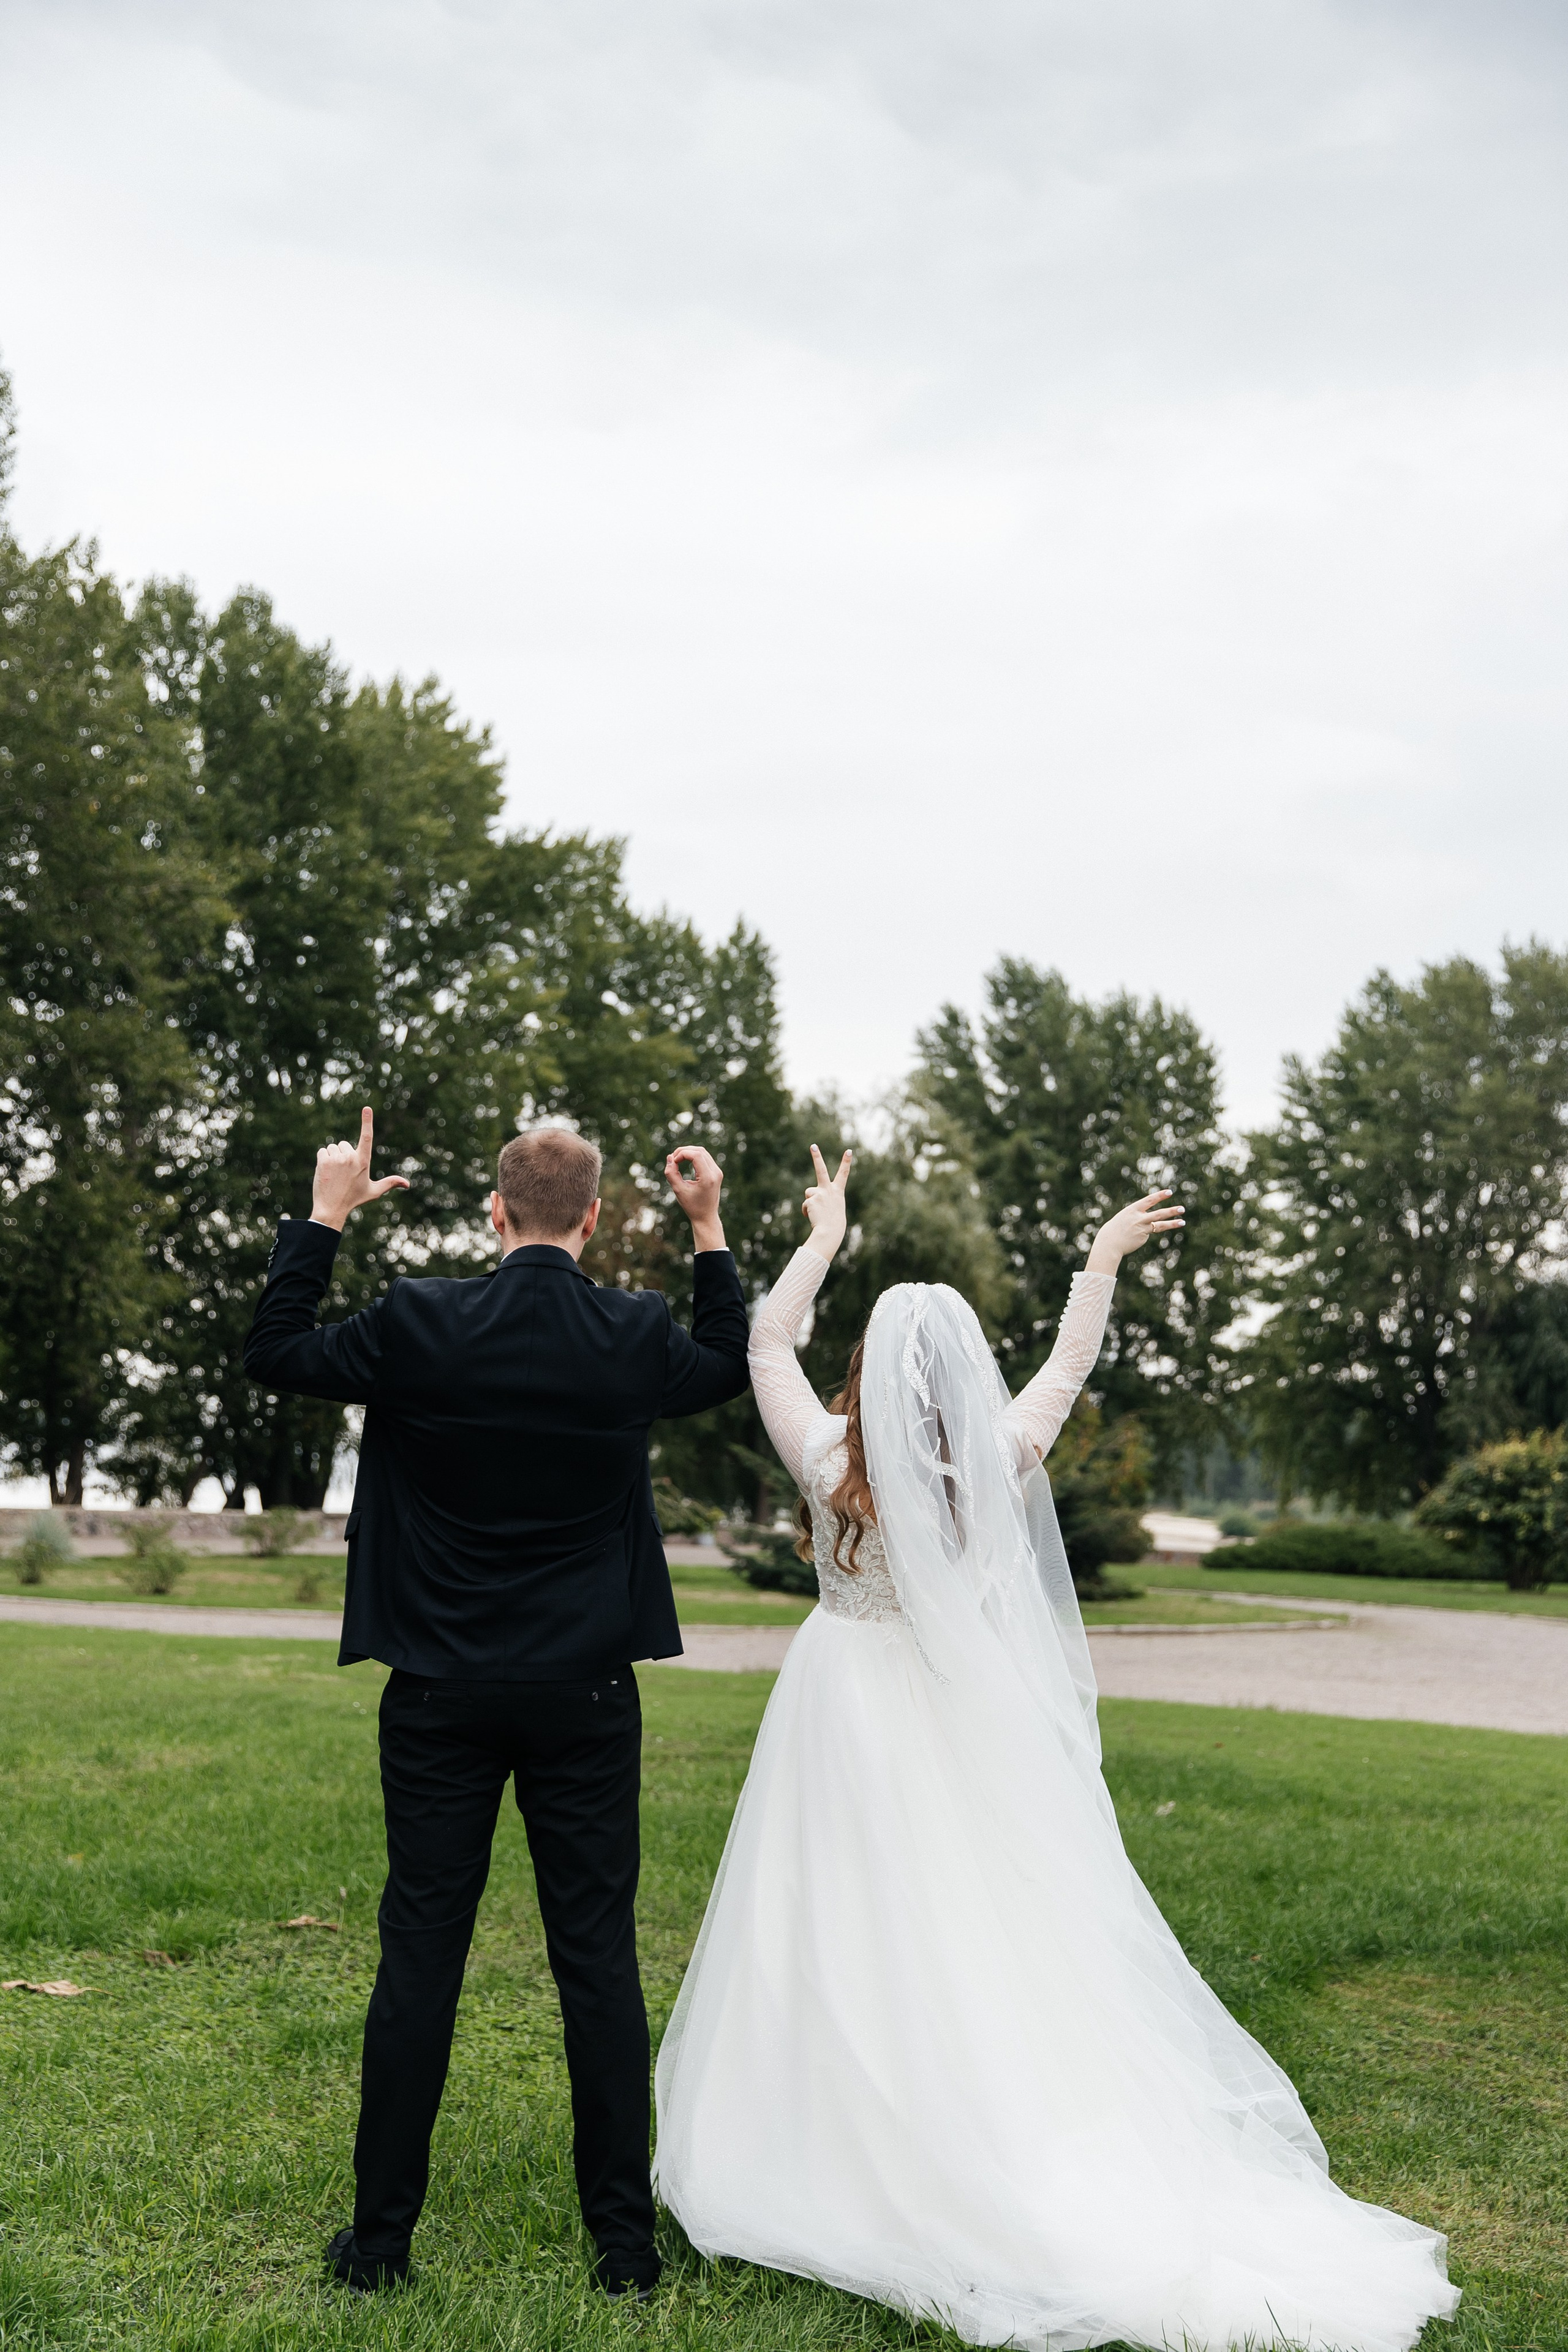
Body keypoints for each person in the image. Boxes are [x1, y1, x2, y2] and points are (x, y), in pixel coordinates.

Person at [654, 1147, 1458, 2352]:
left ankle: (819, 2129)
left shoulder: (827, 1467)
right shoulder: (995, 1462)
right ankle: (970, 2118)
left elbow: (766, 1344)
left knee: (825, 1912)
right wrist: (1098, 1259)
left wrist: (823, 1233)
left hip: (837, 1703)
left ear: (867, 1371)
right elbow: (1065, 1368)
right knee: (957, 1917)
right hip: (941, 1714)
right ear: (963, 1381)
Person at [243, 1110, 749, 2299]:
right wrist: (709, 1228)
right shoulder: (632, 1331)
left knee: (419, 1957)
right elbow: (729, 1362)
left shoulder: (419, 1319)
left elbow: (276, 1350)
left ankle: (377, 2251)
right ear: (588, 1219)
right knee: (595, 1963)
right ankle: (622, 2255)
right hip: (583, 1694)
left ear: (491, 1213)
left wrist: (324, 1215)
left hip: (437, 1692)